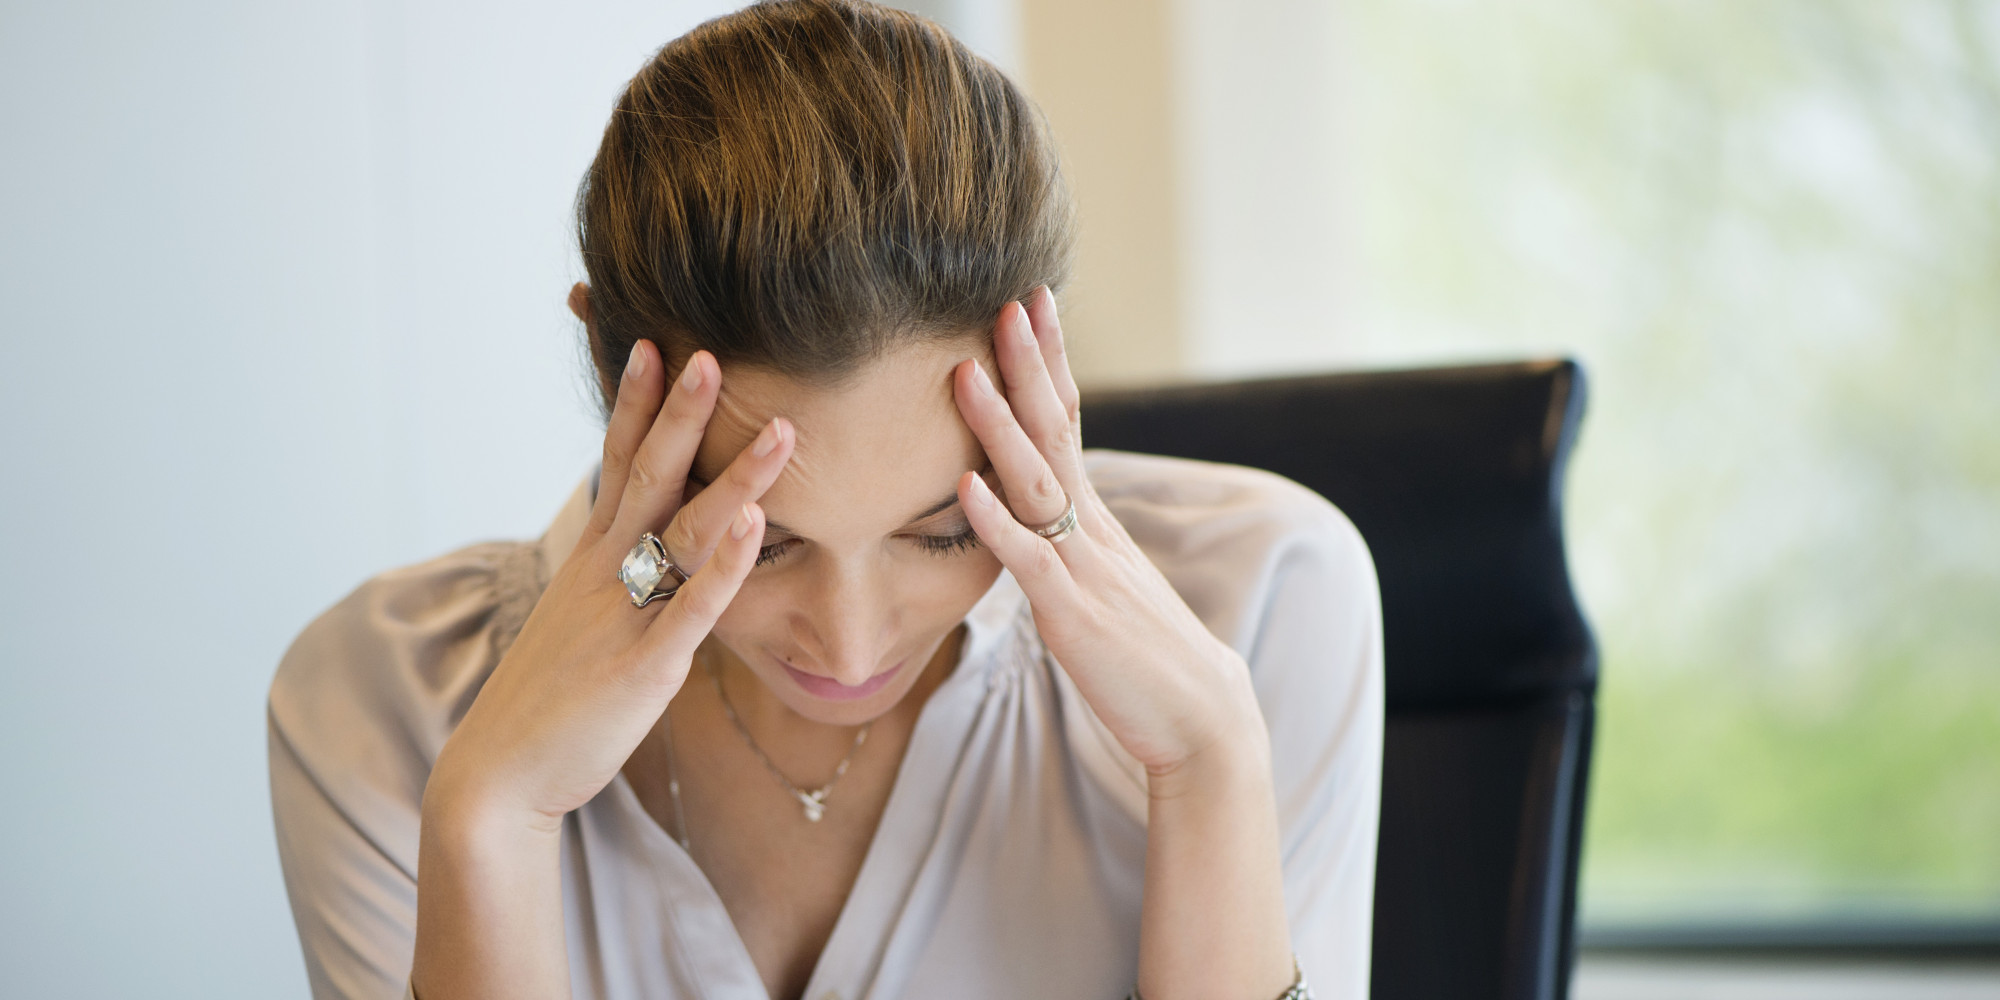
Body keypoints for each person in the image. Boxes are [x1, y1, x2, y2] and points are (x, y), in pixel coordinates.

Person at [267, 2, 1383, 999]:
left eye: (943, 529)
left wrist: (1210, 768)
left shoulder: (1261, 602)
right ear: (621, 387)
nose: (848, 646)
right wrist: (491, 825)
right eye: (759, 546)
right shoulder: (387, 704)